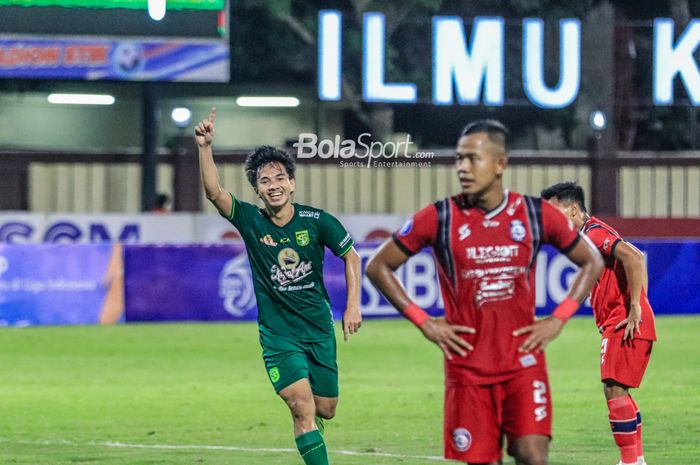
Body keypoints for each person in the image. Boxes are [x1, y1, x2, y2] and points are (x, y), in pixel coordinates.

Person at [366, 120, 603, 465]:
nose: (462, 166)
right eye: (459, 158)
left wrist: (558, 318)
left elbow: (592, 260)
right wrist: (424, 321)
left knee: (532, 454)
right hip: (467, 370)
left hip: (523, 363)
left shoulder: (535, 214)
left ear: (500, 164)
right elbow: (378, 266)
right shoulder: (440, 217)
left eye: (472, 158)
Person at [195, 107, 362, 465]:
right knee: (302, 408)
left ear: (292, 183)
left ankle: (313, 426)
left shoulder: (317, 221)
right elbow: (214, 192)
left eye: (279, 178)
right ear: (257, 189)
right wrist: (205, 147)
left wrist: (352, 305)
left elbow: (352, 256)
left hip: (318, 328)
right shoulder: (251, 220)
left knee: (326, 409)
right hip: (278, 335)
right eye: (265, 181)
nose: (273, 186)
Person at [541, 182, 656, 465]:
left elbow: (633, 256)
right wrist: (639, 303)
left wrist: (635, 308)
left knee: (613, 388)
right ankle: (636, 460)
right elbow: (638, 258)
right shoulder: (588, 235)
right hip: (620, 320)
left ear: (573, 209)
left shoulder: (593, 232)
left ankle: (629, 461)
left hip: (623, 321)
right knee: (618, 389)